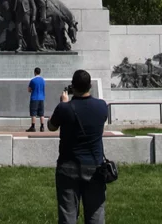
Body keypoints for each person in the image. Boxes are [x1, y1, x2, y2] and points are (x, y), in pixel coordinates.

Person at [47, 69, 108, 224]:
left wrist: (63, 103)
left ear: (72, 87)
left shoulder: (64, 108)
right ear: (90, 87)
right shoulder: (102, 106)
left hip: (68, 166)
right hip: (95, 167)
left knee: (68, 215)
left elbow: (51, 126)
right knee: (95, 214)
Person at [27, 67, 46, 132]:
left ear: (35, 72)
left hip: (34, 98)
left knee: (33, 113)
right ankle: (42, 126)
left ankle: (33, 127)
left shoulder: (33, 80)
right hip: (41, 98)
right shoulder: (43, 80)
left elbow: (29, 90)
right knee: (41, 113)